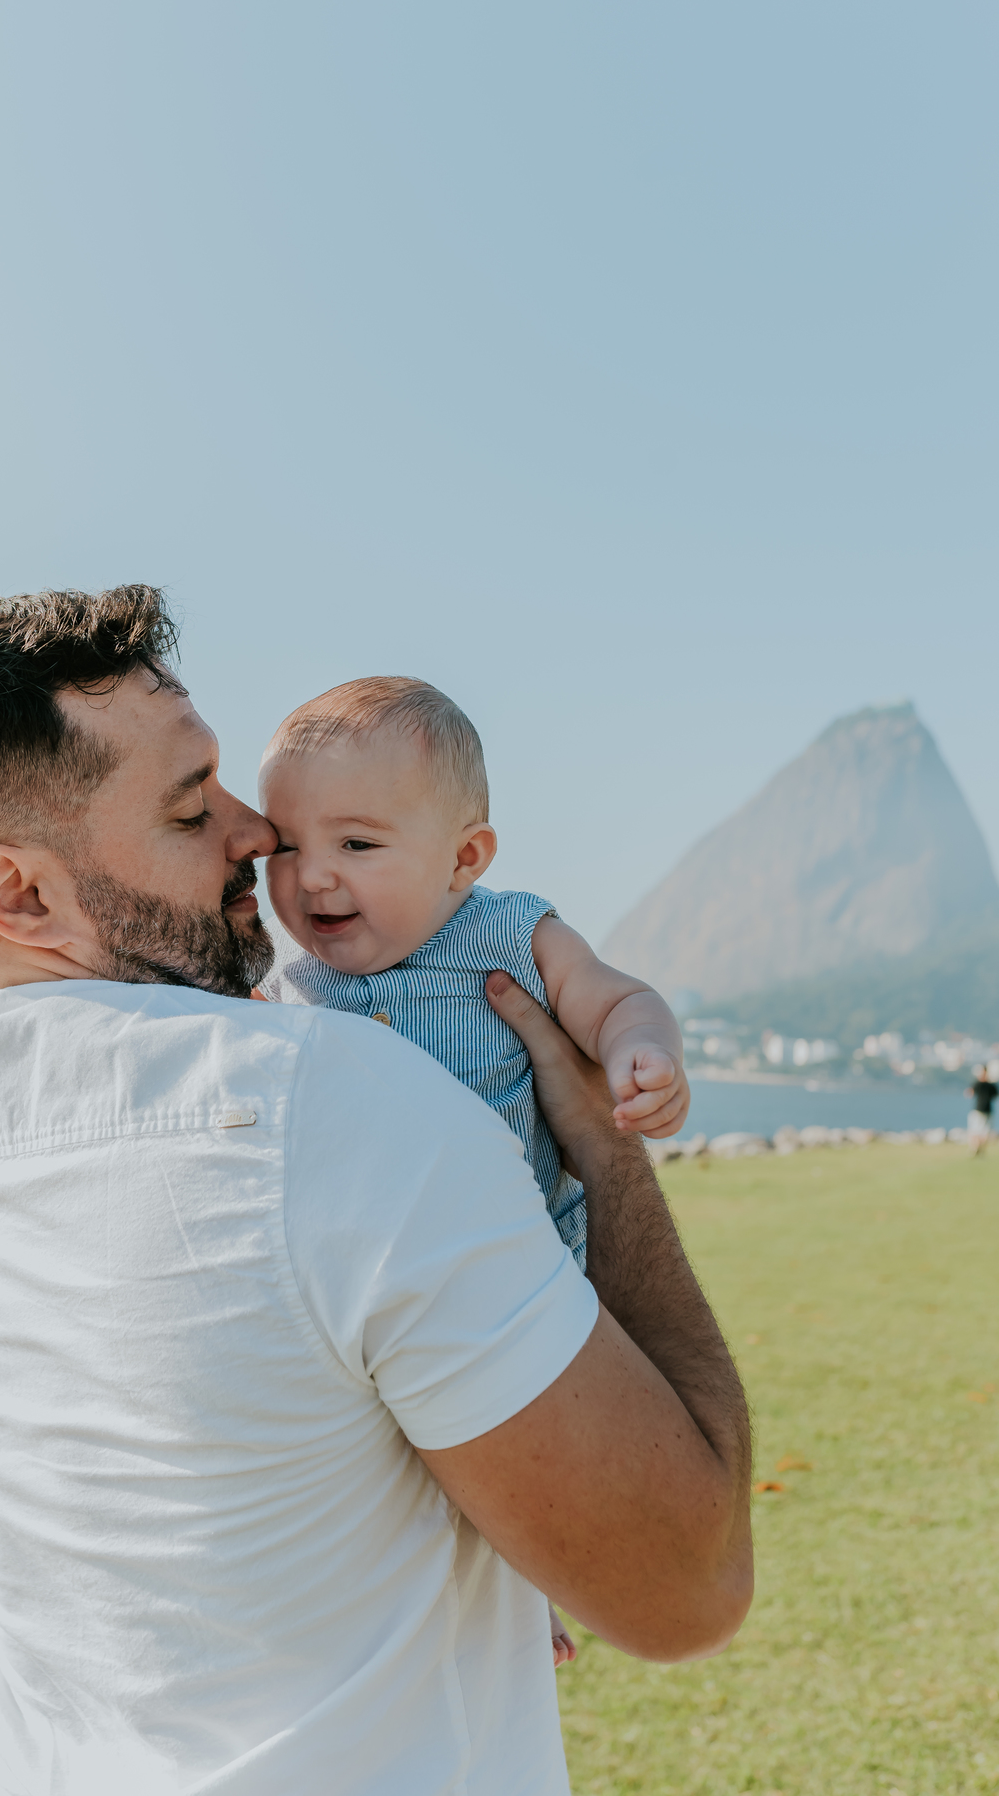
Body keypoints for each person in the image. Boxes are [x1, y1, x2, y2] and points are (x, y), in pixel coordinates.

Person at [0, 586, 753, 1796]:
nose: (260, 831)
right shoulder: (333, 1103)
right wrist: (607, 1153)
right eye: (187, 804)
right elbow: (687, 1586)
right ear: (20, 896)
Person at [258, 677, 690, 1665]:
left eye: (356, 846)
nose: (313, 877)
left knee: (535, 1448)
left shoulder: (508, 935)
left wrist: (643, 1052)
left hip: (529, 1262)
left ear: (465, 856)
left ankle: (534, 1583)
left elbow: (616, 996)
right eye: (285, 845)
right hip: (375, 1279)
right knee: (397, 1458)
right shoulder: (291, 986)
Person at [965, 1063, 998, 1156]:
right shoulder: (991, 1085)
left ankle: (976, 1149)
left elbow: (969, 1094)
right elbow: (995, 1096)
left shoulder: (977, 1084)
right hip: (986, 1110)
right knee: (983, 1132)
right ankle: (979, 1150)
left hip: (979, 1110)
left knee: (977, 1131)